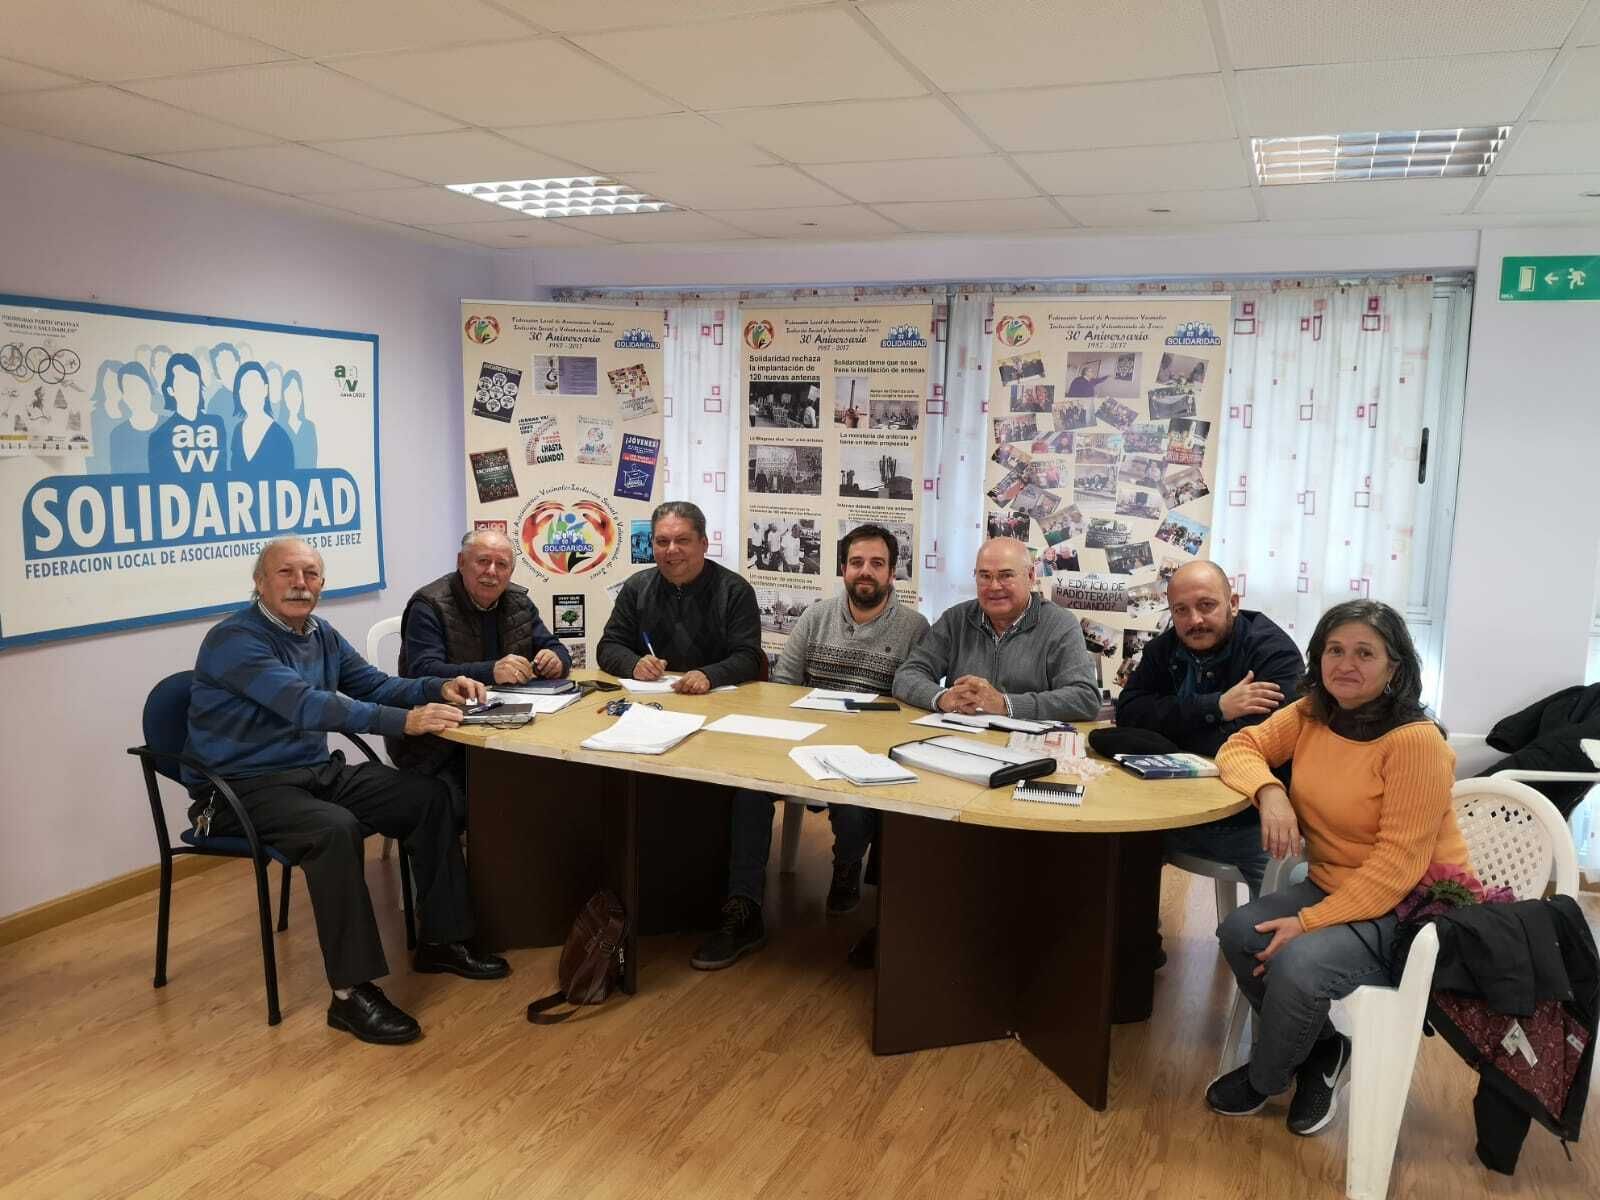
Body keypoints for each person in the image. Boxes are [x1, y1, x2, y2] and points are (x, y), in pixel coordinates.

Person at [183, 537, 509, 1046]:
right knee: (333, 830)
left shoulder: (320, 633)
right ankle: (351, 994)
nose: (300, 584)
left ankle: (442, 939)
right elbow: (305, 705)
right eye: (287, 573)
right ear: (260, 582)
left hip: (310, 771)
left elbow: (373, 684)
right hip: (240, 787)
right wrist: (408, 721)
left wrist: (435, 688)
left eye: (311, 574)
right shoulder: (234, 640)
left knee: (427, 796)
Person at [1206, 599, 1469, 1137]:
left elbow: (1397, 868)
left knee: (1300, 963)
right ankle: (1325, 1050)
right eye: (1335, 650)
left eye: (1365, 653)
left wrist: (1307, 923)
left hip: (1412, 909)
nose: (1345, 664)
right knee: (1238, 931)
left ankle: (1266, 1078)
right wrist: (1270, 792)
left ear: (1395, 667)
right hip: (1333, 886)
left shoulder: (1417, 742)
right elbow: (1240, 745)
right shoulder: (1311, 713)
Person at [692, 524, 931, 970]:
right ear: (843, 567)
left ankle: (846, 866)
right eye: (857, 562)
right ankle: (743, 908)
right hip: (804, 738)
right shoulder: (816, 615)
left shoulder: (915, 627)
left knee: (857, 803)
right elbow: (783, 686)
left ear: (892, 573)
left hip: (867, 753)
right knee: (747, 788)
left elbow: (913, 697)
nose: (866, 572)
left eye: (877, 564)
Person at [1115, 561, 1304, 890]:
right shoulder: (1164, 648)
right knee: (1109, 862)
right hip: (1167, 812)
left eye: (1206, 605)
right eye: (1181, 610)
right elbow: (1129, 714)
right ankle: (1138, 942)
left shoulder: (1273, 653)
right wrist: (1216, 707)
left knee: (1269, 930)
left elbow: (1259, 745)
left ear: (1233, 602)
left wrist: (1169, 733)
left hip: (1251, 819)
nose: (1194, 621)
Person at [385, 529, 570, 799]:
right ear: (461, 562)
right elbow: (422, 671)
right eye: (483, 561)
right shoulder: (428, 604)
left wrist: (556, 660)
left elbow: (555, 648)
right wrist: (491, 671)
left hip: (508, 728)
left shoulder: (519, 601)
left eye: (502, 565)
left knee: (554, 779)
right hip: (440, 740)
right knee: (485, 794)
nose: (492, 572)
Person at [895, 537, 1099, 722]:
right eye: (984, 576)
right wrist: (941, 698)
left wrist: (1005, 704)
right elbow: (907, 676)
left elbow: (1085, 698)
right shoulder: (956, 619)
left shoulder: (1059, 624)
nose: (994, 586)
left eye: (1006, 575)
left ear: (1030, 576)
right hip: (959, 741)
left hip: (1026, 749)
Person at [596, 500, 762, 695]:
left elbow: (749, 658)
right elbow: (608, 647)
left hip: (715, 701)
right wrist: (634, 665)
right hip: (650, 704)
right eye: (662, 541)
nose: (672, 549)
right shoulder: (637, 587)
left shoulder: (734, 591)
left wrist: (708, 675)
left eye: (682, 540)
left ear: (704, 543)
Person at [147, 353, 226, 478]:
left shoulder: (216, 424)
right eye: (183, 384)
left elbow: (221, 474)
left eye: (194, 383)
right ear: (170, 390)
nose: (190, 390)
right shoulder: (159, 437)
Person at [229, 362, 295, 478]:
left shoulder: (280, 437)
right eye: (245, 388)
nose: (250, 394)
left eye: (255, 387)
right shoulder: (237, 431)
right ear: (239, 394)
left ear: (265, 390)